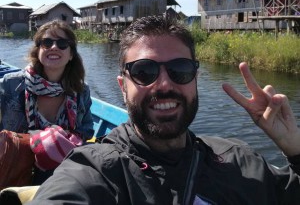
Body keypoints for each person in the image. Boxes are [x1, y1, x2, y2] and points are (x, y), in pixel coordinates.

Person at [28, 15, 300, 204]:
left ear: (195, 78)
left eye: (180, 70)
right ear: (123, 86)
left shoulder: (239, 159)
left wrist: (295, 151)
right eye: (144, 72)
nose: (165, 84)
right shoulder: (97, 171)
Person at [0, 19, 94, 184]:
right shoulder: (10, 84)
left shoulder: (81, 91)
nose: (54, 47)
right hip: (15, 171)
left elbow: (86, 131)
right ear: (38, 51)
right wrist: (39, 142)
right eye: (47, 42)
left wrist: (61, 143)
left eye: (63, 43)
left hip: (61, 173)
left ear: (71, 54)